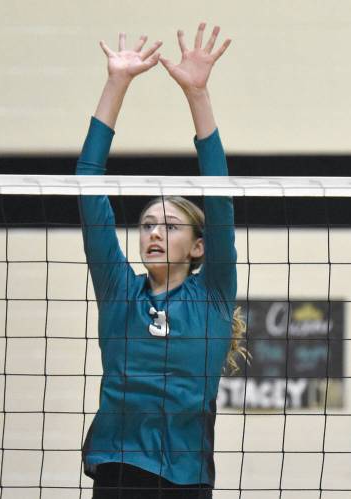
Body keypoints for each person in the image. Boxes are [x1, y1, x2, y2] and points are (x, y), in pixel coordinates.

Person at [77, 22, 245, 499]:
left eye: (170, 227)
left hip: (186, 479)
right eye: (148, 224)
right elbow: (87, 185)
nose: (154, 233)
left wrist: (198, 94)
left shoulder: (212, 296)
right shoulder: (119, 292)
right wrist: (116, 83)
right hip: (118, 469)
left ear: (198, 247)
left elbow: (219, 199)